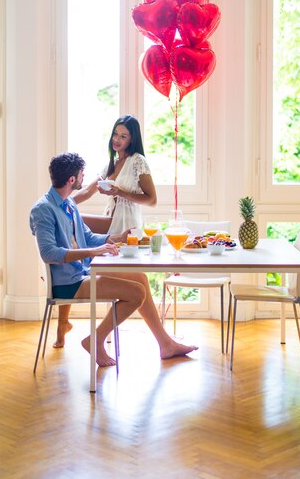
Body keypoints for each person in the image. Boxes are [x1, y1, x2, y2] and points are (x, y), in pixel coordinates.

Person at [30, 152, 198, 366]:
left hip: (81, 272)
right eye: (82, 174)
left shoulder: (68, 204)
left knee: (139, 279)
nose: (84, 178)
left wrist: (116, 238)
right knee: (137, 293)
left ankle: (165, 344)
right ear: (72, 179)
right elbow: (49, 253)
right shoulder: (43, 209)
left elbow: (87, 236)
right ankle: (96, 339)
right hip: (67, 283)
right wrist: (92, 252)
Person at [73, 114, 157, 233]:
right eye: (115, 134)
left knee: (72, 220)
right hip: (109, 218)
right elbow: (88, 191)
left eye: (123, 136)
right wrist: (63, 203)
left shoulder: (138, 161)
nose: (116, 139)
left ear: (132, 139)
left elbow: (152, 200)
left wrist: (120, 192)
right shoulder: (112, 164)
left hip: (126, 224)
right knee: (68, 219)